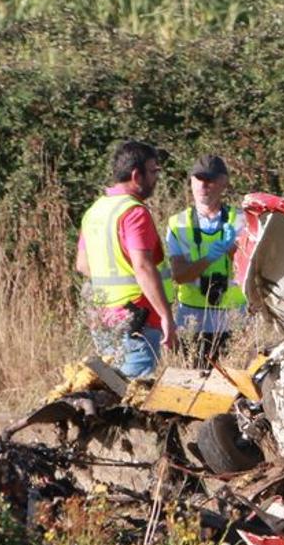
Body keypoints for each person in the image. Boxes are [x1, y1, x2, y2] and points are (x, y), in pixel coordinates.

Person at [74, 140, 178, 378]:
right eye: (152, 171)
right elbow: (142, 266)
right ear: (136, 175)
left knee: (112, 393)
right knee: (133, 396)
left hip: (102, 319)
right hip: (136, 320)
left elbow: (82, 265)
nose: (156, 178)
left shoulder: (95, 211)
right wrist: (166, 316)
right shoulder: (134, 212)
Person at [162, 154, 246, 362]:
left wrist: (233, 250)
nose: (203, 185)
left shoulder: (242, 220)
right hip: (193, 320)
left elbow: (251, 268)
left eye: (210, 180)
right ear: (191, 181)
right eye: (198, 179)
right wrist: (211, 256)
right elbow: (179, 276)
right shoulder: (177, 223)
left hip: (233, 318)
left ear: (223, 183)